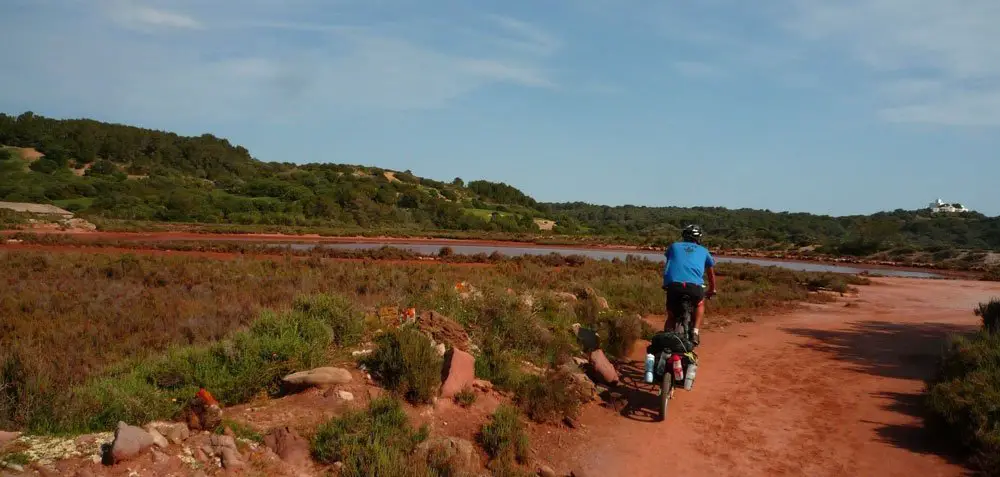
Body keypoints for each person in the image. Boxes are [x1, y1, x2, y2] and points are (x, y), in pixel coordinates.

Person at [662, 224, 717, 346]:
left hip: (674, 286)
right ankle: (695, 332)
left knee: (671, 316)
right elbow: (711, 274)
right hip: (694, 288)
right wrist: (712, 289)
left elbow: (669, 265)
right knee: (700, 303)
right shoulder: (703, 250)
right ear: (699, 238)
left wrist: (666, 284)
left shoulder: (674, 246)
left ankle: (666, 341)